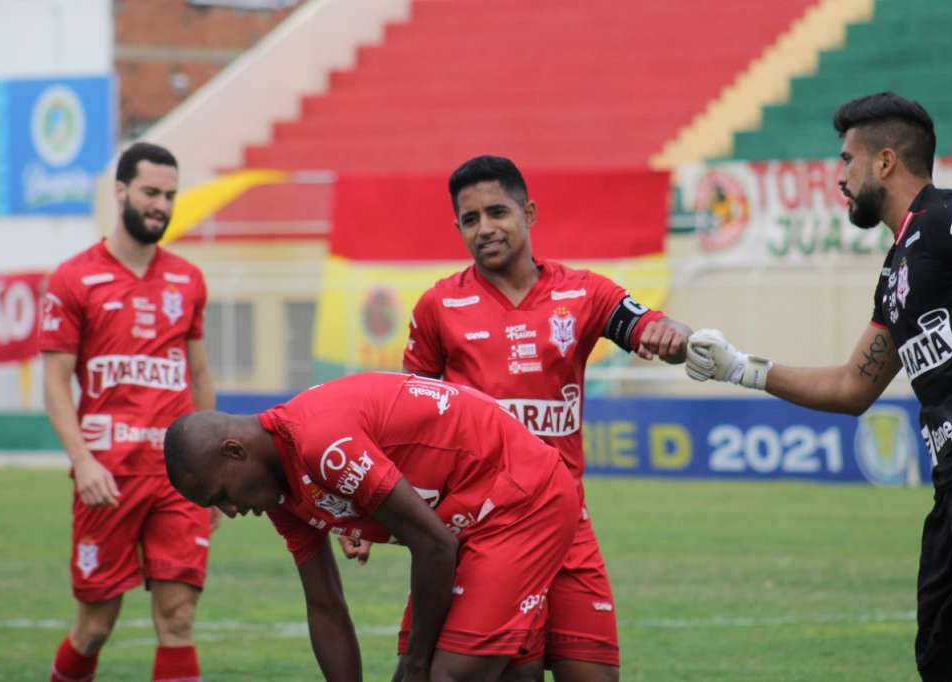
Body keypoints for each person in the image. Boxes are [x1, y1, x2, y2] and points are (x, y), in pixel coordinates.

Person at [685, 92, 952, 681]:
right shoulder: (898, 269)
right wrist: (741, 367)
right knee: (943, 657)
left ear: (884, 162)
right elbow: (850, 387)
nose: (839, 177)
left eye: (845, 161)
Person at [337, 155, 690, 681]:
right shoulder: (438, 306)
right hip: (480, 530)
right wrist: (366, 510)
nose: (485, 229)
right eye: (471, 219)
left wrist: (673, 336)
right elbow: (405, 424)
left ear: (528, 212)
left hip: (567, 523)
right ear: (457, 228)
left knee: (595, 675)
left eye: (497, 212)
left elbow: (652, 327)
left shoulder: (585, 293)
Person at [163, 371, 581, 682]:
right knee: (500, 672)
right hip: (465, 523)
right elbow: (325, 605)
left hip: (522, 500)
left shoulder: (322, 444)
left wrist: (415, 665)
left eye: (221, 495)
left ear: (234, 451)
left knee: (443, 674)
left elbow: (434, 545)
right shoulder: (279, 494)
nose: (231, 510)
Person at [41, 142, 216, 682]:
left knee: (178, 617)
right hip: (108, 475)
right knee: (95, 625)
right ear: (120, 191)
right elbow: (54, 383)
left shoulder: (187, 280)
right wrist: (84, 460)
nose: (161, 205)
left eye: (169, 195)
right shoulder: (73, 279)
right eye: (150, 192)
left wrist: (212, 468)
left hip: (175, 474)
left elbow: (200, 374)